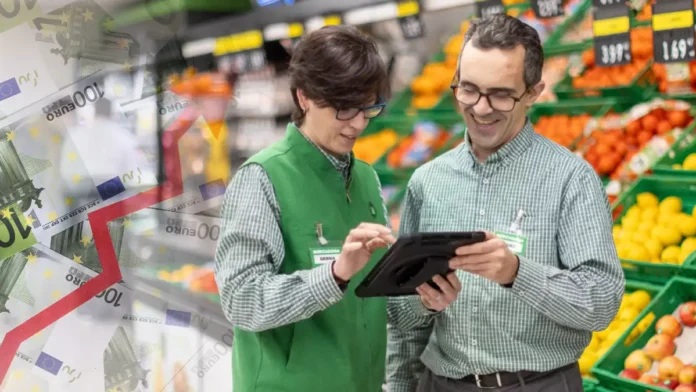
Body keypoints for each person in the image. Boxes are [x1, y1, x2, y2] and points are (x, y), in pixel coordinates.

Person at [385, 14, 624, 392]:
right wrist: (424, 304)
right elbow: (399, 317)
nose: (481, 108)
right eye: (469, 90)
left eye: (500, 94)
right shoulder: (427, 183)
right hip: (440, 383)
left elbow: (601, 301)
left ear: (533, 92)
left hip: (539, 384)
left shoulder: (569, 179)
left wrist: (517, 273)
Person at [214, 25, 444, 392]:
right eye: (343, 108)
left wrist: (426, 299)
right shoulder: (262, 178)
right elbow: (242, 301)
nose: (358, 123)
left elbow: (379, 303)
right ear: (304, 97)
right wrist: (335, 275)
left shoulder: (367, 179)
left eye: (368, 108)